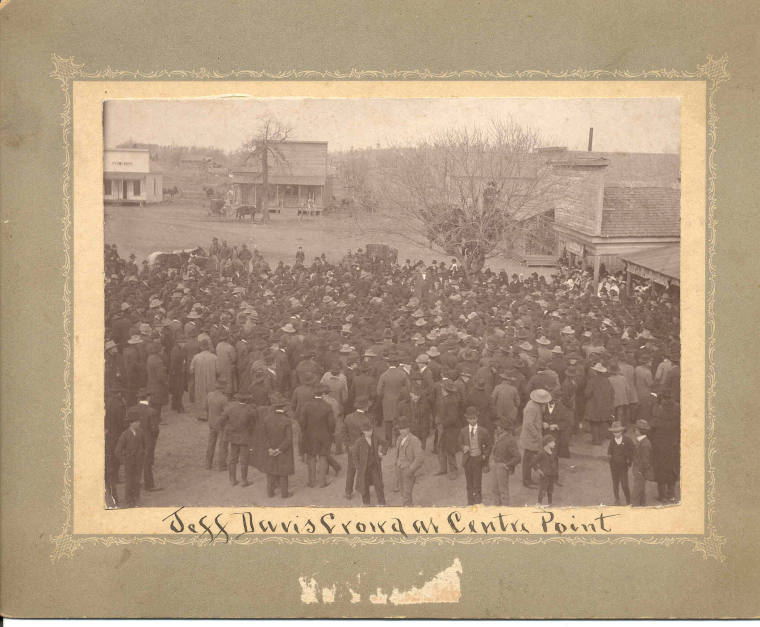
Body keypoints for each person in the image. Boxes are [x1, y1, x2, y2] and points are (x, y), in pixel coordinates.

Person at [219, 392, 257, 487]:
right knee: (244, 460)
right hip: (245, 437)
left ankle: (232, 479)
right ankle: (244, 480)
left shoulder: (230, 408)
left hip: (233, 437)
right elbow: (254, 424)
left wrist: (227, 428)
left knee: (233, 459)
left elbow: (221, 420)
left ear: (237, 399)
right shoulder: (250, 410)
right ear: (247, 400)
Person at [300, 387, 335, 488]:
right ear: (322, 394)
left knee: (311, 457)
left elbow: (302, 422)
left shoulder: (306, 406)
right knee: (323, 457)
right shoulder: (327, 406)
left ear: (313, 394)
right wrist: (330, 433)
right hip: (324, 435)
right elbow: (332, 423)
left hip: (310, 435)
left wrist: (305, 430)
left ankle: (311, 482)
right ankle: (322, 482)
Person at [261, 396, 295, 498]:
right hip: (283, 450)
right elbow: (288, 439)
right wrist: (279, 449)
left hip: (270, 450)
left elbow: (263, 436)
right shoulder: (286, 420)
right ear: (283, 408)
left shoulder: (267, 419)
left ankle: (270, 492)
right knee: (283, 471)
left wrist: (270, 449)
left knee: (271, 470)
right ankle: (284, 493)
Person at [458, 406, 492, 505]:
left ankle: (478, 502)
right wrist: (463, 447)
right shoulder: (463, 431)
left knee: (477, 483)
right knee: (469, 484)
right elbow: (459, 442)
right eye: (470, 419)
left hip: (478, 460)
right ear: (466, 419)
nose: (472, 421)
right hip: (468, 460)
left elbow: (489, 445)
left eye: (474, 418)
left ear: (477, 418)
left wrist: (485, 455)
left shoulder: (483, 431)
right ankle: (470, 503)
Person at [351, 416, 387, 505]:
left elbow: (385, 443)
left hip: (375, 466)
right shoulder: (359, 442)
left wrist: (382, 452)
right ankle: (366, 503)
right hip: (364, 468)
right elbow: (354, 455)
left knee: (378, 485)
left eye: (371, 430)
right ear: (363, 431)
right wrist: (358, 466)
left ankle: (382, 503)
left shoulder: (375, 438)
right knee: (364, 486)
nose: (370, 433)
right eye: (367, 431)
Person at [520, 389, 551, 488]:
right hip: (530, 438)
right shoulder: (532, 408)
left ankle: (529, 479)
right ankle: (526, 481)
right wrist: (537, 436)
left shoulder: (535, 405)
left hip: (532, 437)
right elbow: (529, 424)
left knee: (530, 458)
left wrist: (541, 424)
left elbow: (533, 421)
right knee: (528, 460)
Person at [114, 413, 146, 508]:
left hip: (138, 461)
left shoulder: (141, 432)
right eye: (137, 422)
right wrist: (124, 461)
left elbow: (144, 445)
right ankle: (129, 499)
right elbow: (117, 451)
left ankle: (136, 498)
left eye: (139, 422)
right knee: (129, 481)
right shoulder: (125, 435)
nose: (139, 423)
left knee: (137, 480)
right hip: (129, 462)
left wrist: (142, 454)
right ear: (131, 423)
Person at [394, 415, 425, 506]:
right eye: (400, 429)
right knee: (402, 490)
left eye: (404, 429)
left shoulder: (414, 440)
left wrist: (411, 469)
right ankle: (408, 506)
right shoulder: (399, 439)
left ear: (408, 429)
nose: (401, 431)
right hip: (399, 468)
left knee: (407, 492)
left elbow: (420, 458)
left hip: (407, 469)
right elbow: (398, 453)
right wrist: (396, 463)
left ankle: (408, 507)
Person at [343, 400, 370, 500]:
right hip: (363, 448)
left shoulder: (348, 417)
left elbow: (344, 432)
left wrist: (348, 445)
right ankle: (362, 489)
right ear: (364, 407)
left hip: (352, 447)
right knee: (363, 468)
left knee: (351, 469)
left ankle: (348, 491)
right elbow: (369, 436)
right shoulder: (367, 419)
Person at [490, 424, 521, 506]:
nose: (496, 428)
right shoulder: (498, 437)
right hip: (495, 465)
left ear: (503, 428)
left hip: (502, 467)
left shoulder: (510, 439)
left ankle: (505, 511)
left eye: (498, 427)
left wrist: (507, 464)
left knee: (503, 491)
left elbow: (518, 457)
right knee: (495, 489)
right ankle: (497, 509)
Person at [189, 338, 218, 421]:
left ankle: (201, 415)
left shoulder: (196, 357)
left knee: (200, 396)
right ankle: (210, 415)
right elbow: (218, 370)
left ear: (201, 347)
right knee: (210, 397)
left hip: (199, 381)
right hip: (211, 380)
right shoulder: (214, 357)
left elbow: (191, 370)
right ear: (208, 347)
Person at [607, 420, 634, 505]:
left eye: (618, 432)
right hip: (614, 466)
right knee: (615, 483)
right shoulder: (612, 441)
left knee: (624, 484)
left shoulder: (627, 440)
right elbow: (609, 451)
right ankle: (617, 498)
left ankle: (628, 500)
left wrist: (629, 459)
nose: (616, 434)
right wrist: (609, 456)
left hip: (623, 466)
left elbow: (633, 450)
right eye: (614, 432)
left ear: (621, 431)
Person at [205, 381, 229, 470]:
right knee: (222, 444)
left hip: (211, 423)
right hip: (221, 425)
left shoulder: (209, 395)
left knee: (211, 443)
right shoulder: (224, 398)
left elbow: (206, 408)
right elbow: (227, 413)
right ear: (222, 388)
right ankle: (222, 465)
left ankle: (208, 463)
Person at [631, 419, 653, 506]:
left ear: (640, 432)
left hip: (640, 471)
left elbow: (645, 460)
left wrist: (641, 471)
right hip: (639, 469)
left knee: (635, 494)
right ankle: (642, 507)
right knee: (641, 490)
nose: (634, 431)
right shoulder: (641, 440)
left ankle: (634, 508)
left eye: (636, 430)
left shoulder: (645, 444)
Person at [532, 434, 559, 506]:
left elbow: (555, 463)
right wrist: (539, 470)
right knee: (542, 490)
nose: (554, 444)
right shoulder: (542, 453)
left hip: (551, 475)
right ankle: (539, 503)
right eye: (552, 442)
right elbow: (534, 462)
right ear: (547, 443)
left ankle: (550, 503)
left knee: (550, 490)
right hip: (544, 475)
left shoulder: (553, 452)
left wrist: (555, 472)